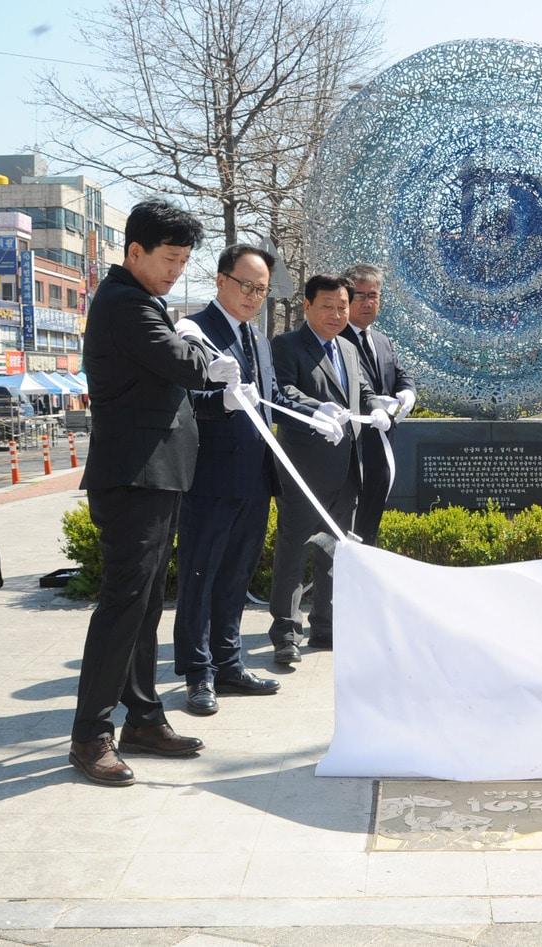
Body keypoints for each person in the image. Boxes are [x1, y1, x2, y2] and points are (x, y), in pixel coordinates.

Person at [71, 199, 242, 788]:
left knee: (144, 605)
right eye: (169, 259)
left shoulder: (145, 302)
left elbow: (173, 374)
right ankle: (90, 735)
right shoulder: (125, 303)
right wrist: (205, 357)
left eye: (184, 261)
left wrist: (204, 368)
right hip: (133, 476)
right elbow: (179, 362)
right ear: (135, 251)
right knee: (123, 605)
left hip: (157, 474)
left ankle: (142, 718)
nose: (176, 270)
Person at [171, 244, 284, 717]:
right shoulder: (194, 330)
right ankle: (198, 673)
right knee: (201, 576)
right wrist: (221, 403)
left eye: (262, 290)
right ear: (220, 281)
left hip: (255, 477)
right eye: (246, 286)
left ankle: (229, 664)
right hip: (210, 477)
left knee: (237, 575)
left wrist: (317, 412)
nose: (254, 296)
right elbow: (182, 400)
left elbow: (271, 397)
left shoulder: (257, 337)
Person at [268, 273, 390, 665]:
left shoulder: (348, 349)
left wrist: (379, 406)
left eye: (342, 307)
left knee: (335, 552)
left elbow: (362, 390)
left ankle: (325, 624)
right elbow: (282, 392)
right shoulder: (286, 345)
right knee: (294, 551)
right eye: (327, 306)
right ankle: (286, 633)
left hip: (346, 470)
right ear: (307, 306)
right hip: (303, 470)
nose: (336, 314)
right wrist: (315, 410)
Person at [338, 263, 417, 545]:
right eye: (360, 295)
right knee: (347, 530)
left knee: (369, 527)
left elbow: (400, 374)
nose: (367, 302)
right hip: (350, 452)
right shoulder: (335, 339)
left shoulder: (382, 340)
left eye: (373, 295)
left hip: (381, 449)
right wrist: (373, 405)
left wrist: (408, 392)